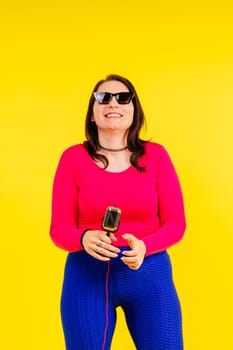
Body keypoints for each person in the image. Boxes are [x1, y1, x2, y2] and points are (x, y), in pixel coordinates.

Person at [50, 74, 186, 350]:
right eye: (103, 98)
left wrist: (146, 246)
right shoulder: (73, 159)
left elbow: (176, 224)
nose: (113, 103)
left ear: (134, 111)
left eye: (124, 98)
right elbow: (59, 230)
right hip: (87, 277)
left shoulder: (157, 156)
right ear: (92, 113)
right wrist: (84, 238)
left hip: (150, 274)